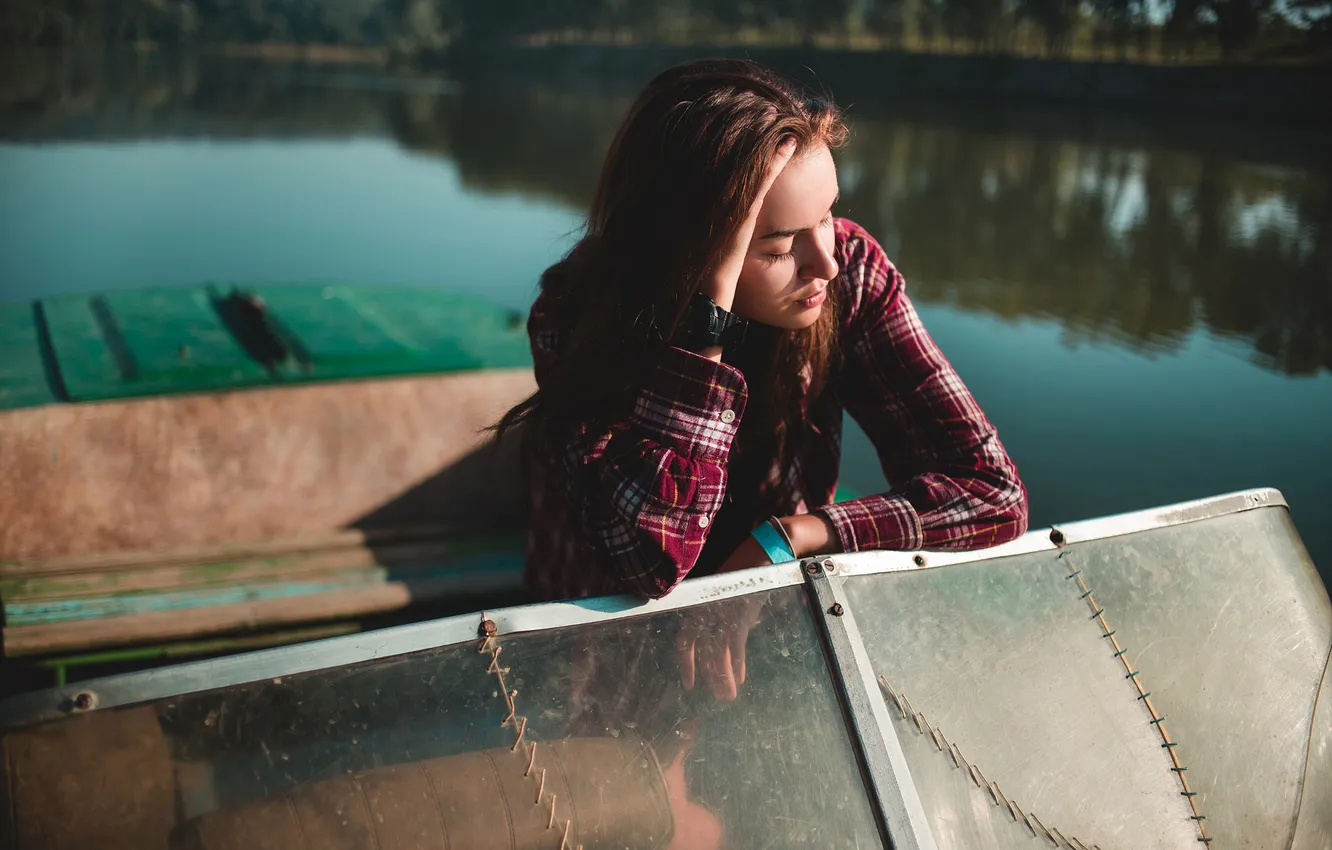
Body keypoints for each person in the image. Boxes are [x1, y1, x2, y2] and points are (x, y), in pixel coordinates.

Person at [494, 58, 1028, 697]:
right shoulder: (575, 312)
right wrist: (705, 329)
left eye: (828, 214)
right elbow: (645, 560)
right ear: (687, 251)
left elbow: (994, 494)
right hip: (600, 639)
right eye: (777, 248)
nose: (824, 261)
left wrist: (787, 538)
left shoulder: (849, 274)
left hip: (767, 627)